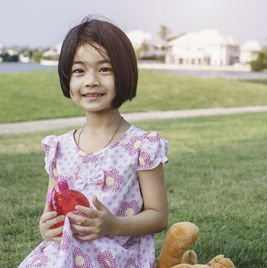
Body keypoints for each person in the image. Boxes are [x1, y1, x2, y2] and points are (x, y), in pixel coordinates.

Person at [19, 17, 168, 268]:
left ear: (125, 73)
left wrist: (113, 225)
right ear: (67, 78)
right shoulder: (60, 147)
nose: (91, 81)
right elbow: (51, 210)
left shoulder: (142, 146)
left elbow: (158, 216)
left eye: (104, 69)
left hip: (115, 255)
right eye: (79, 70)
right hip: (63, 254)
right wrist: (47, 227)